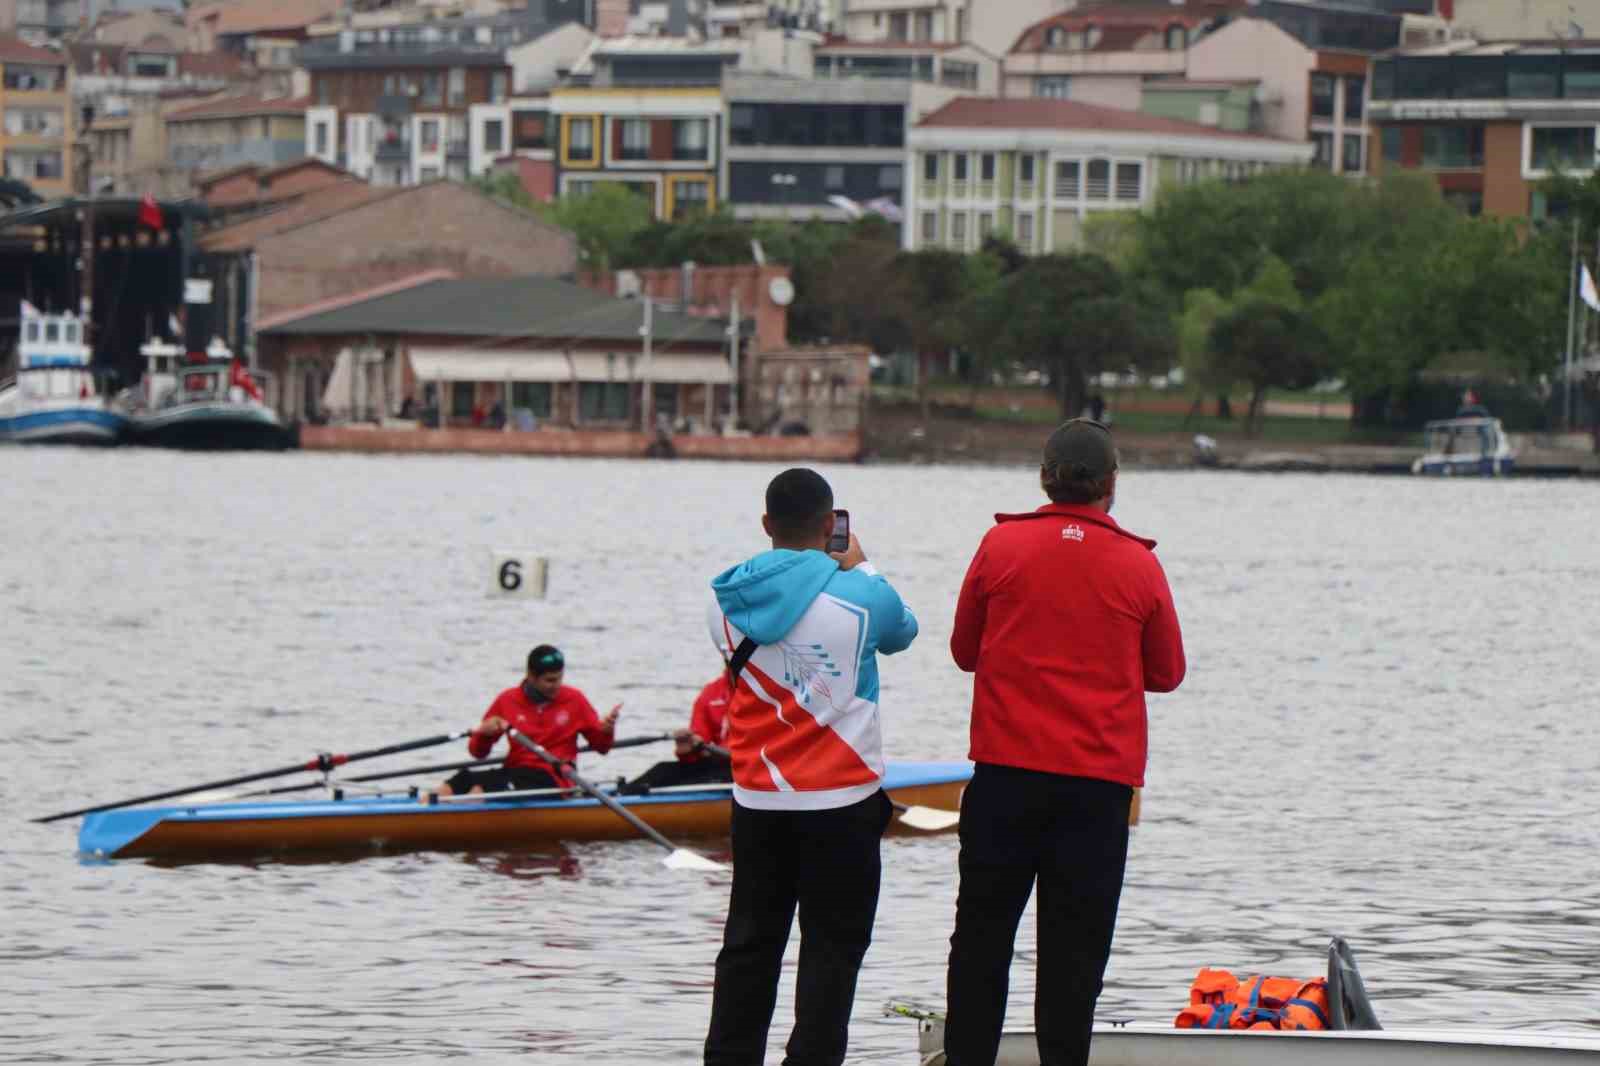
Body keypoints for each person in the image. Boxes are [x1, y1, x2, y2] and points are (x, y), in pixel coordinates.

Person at [943, 419, 1186, 1066]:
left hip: (1004, 779)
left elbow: (964, 652)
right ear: (1111, 485)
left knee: (980, 946)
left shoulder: (1000, 545)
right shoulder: (1139, 562)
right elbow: (1166, 674)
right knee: (1073, 958)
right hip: (1096, 790)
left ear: (1045, 477)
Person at [704, 468, 919, 1066]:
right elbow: (905, 630)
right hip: (842, 805)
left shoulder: (724, 602)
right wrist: (864, 564)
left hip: (757, 803)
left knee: (748, 950)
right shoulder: (862, 593)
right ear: (831, 526)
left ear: (766, 525)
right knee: (831, 954)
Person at [428, 645, 620, 798]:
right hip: (514, 771)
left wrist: (606, 730)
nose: (557, 686)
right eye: (549, 681)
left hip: (554, 777)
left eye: (559, 678)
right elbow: (478, 753)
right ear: (530, 676)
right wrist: (484, 735)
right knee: (456, 783)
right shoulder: (507, 700)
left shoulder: (575, 699)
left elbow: (602, 748)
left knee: (479, 791)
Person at [620, 605, 735, 795]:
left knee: (715, 777)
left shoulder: (766, 692)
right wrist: (687, 750)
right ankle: (622, 796)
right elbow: (695, 753)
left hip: (750, 771)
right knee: (662, 769)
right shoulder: (711, 694)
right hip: (719, 766)